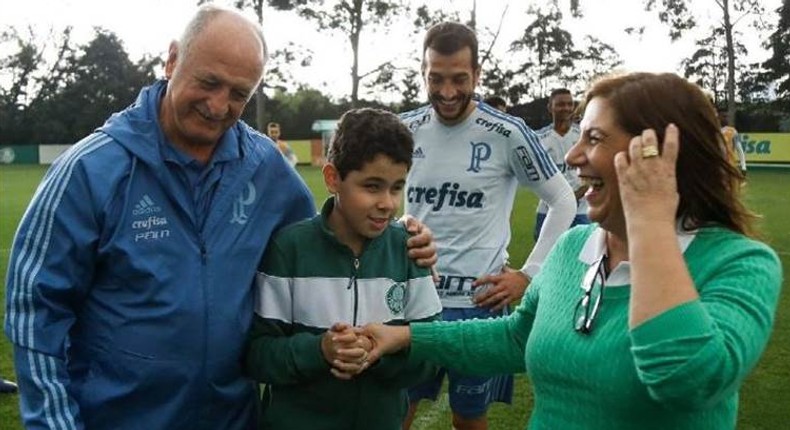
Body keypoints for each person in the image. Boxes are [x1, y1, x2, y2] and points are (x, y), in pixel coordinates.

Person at [3, 6, 436, 429]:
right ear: (172, 60)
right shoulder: (91, 170)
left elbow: (326, 240)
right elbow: (35, 309)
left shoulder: (265, 168)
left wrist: (401, 241)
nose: (218, 105)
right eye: (208, 82)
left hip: (233, 417)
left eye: (238, 94)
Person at [360, 72, 782, 429]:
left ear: (656, 155)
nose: (575, 156)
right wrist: (404, 335)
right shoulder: (573, 246)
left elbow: (685, 379)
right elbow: (515, 336)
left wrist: (650, 221)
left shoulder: (740, 264)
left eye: (594, 138)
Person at [399, 22, 576, 430]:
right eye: (436, 78)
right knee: (394, 412)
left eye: (459, 79)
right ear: (423, 72)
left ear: (477, 75)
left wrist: (529, 276)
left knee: (469, 418)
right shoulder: (404, 130)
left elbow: (563, 199)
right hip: (413, 300)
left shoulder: (508, 133)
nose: (446, 92)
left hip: (480, 307)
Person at [244, 108, 443, 430]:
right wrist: (320, 350)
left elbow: (434, 352)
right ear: (333, 178)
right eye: (372, 186)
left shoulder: (408, 251)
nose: (388, 203)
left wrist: (380, 352)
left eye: (396, 187)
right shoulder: (289, 249)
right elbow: (258, 355)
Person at [534, 88, 590, 241]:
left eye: (569, 104)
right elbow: (534, 177)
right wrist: (557, 198)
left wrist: (575, 196)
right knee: (543, 260)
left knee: (581, 260)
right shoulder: (538, 139)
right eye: (560, 104)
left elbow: (594, 172)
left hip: (580, 211)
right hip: (548, 210)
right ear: (550, 107)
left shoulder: (584, 135)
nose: (566, 108)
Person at [718, 110, 747, 178]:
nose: (725, 119)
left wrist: (743, 166)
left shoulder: (732, 131)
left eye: (726, 117)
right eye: (723, 117)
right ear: (718, 118)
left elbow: (739, 149)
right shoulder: (715, 131)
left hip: (730, 164)